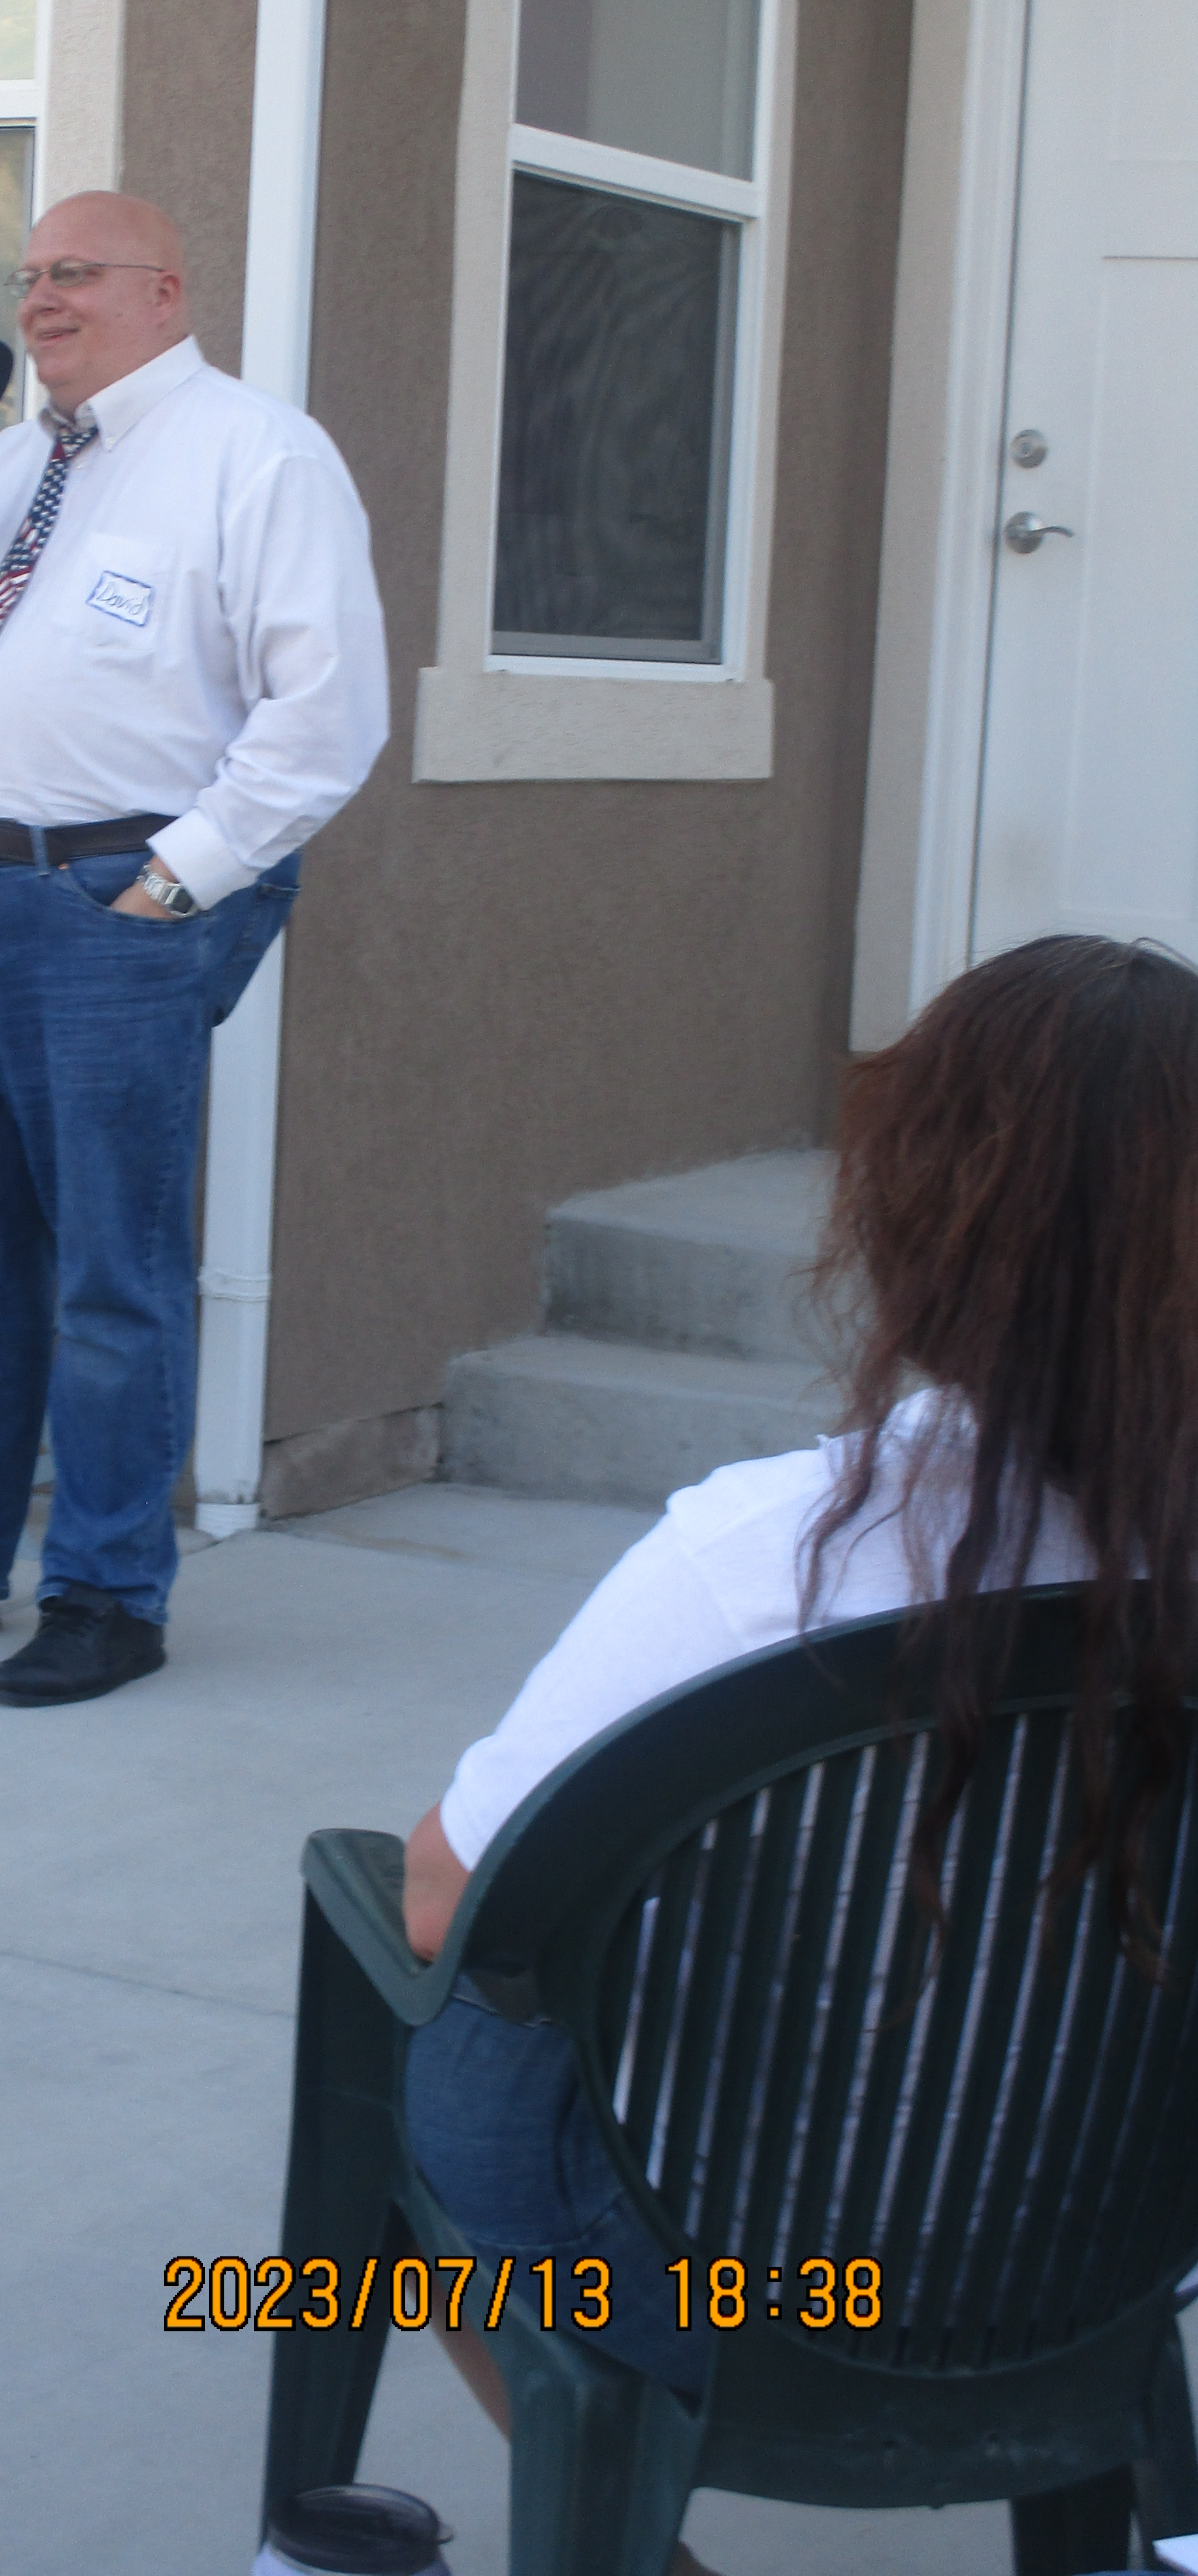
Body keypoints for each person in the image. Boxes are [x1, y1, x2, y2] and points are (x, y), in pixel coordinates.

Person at [398, 934, 1198, 2503]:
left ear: (911, 1220)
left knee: (443, 2041)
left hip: (740, 2291)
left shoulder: (757, 1562)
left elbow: (443, 1908)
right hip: (1125, 2263)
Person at [0, 190, 388, 1704]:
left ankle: (108, 1595)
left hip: (108, 909)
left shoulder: (260, 457)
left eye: (77, 274)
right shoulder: (4, 462)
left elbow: (330, 715)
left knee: (112, 1266)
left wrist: (177, 884)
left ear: (163, 292)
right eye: (29, 276)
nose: (42, 301)